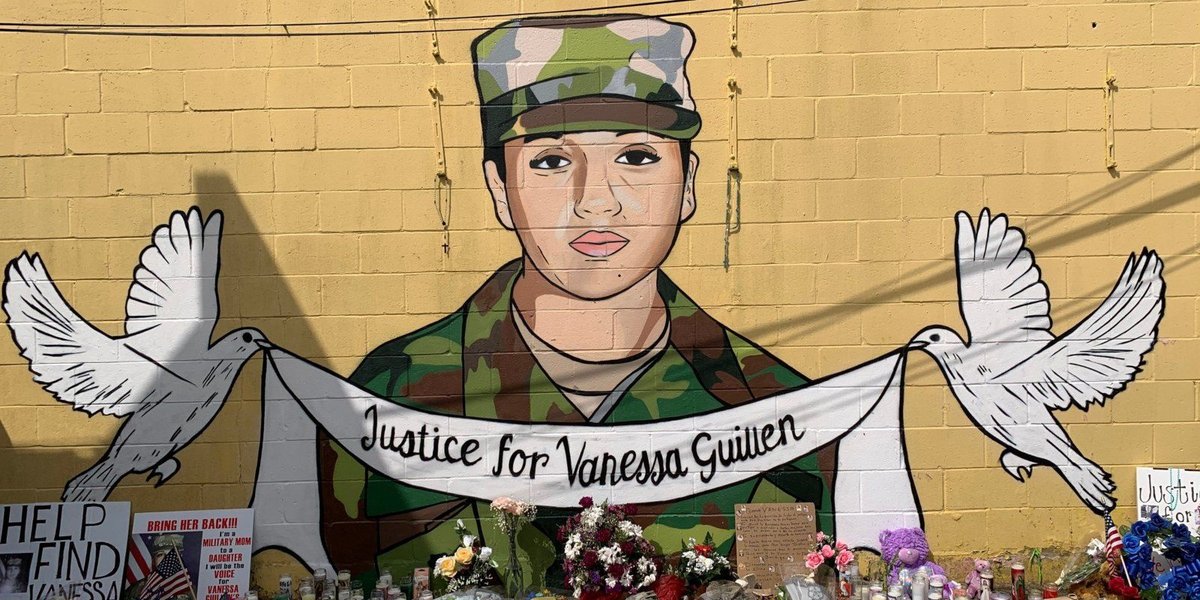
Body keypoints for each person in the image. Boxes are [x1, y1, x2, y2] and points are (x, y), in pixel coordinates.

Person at [318, 14, 837, 586]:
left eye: (637, 157)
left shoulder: (777, 412)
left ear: (688, 183)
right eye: (551, 161)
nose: (597, 201)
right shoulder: (389, 396)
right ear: (499, 189)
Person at [124, 534, 191, 600]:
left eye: (172, 555)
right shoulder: (135, 589)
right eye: (160, 554)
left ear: (179, 558)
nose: (166, 559)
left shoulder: (188, 588)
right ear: (153, 560)